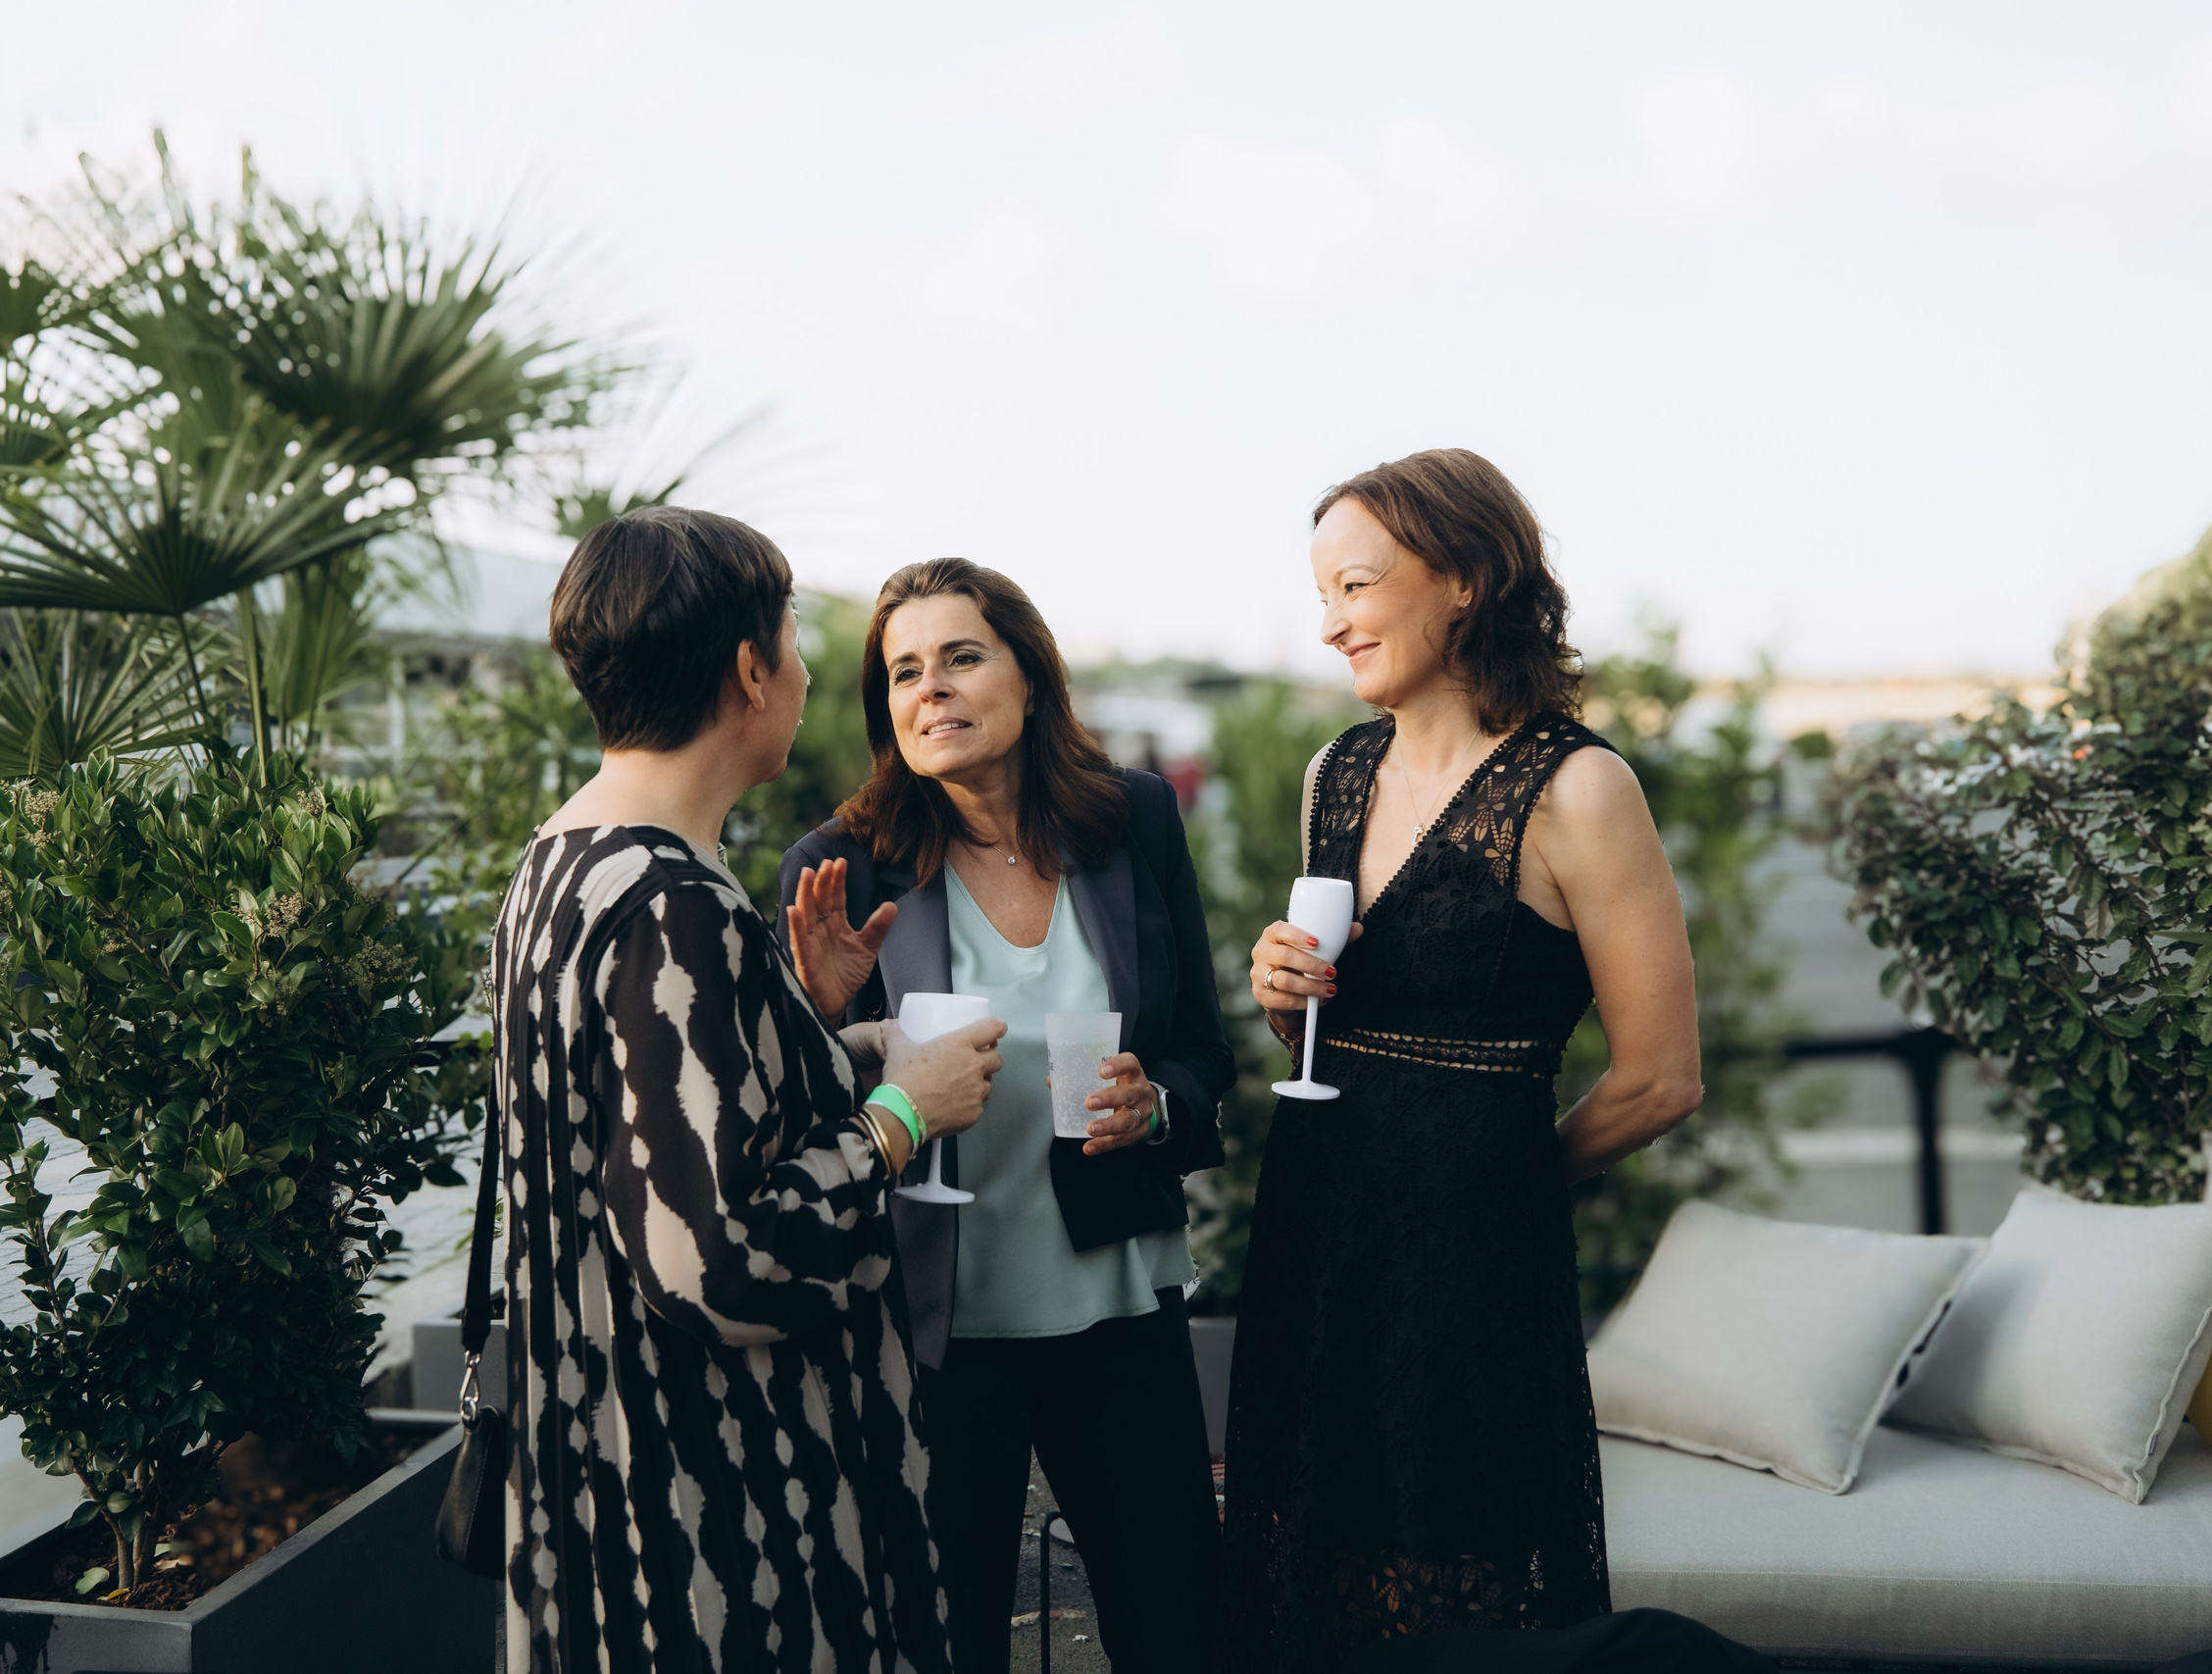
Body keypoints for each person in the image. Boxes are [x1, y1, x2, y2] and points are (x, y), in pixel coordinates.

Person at [489, 508, 1008, 1673]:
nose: (808, 673)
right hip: (712, 1517)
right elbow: (717, 1258)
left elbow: (652, 1129)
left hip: (598, 1472)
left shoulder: (564, 858)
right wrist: (902, 1116)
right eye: (793, 639)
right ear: (748, 670)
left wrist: (818, 1033)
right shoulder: (672, 903)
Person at [1219, 451, 1704, 1667]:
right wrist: (1281, 993)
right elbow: (1341, 1029)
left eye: (1356, 586)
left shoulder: (1581, 789)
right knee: (1309, 1552)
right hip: (1316, 1223)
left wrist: (1498, 1184)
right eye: (1321, 593)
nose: (1330, 622)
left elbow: (1660, 1078)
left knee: (1453, 1577)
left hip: (1469, 1262)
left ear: (1466, 579)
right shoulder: (1336, 773)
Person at [779, 558, 1234, 1674]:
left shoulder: (1133, 819)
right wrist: (823, 1017)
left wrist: (1157, 1106)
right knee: (946, 1641)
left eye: (961, 657)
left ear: (1030, 677)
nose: (929, 687)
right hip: (931, 1328)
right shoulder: (839, 865)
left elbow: (1203, 1052)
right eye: (903, 672)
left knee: (1177, 1624)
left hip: (1116, 1302)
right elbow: (790, 1124)